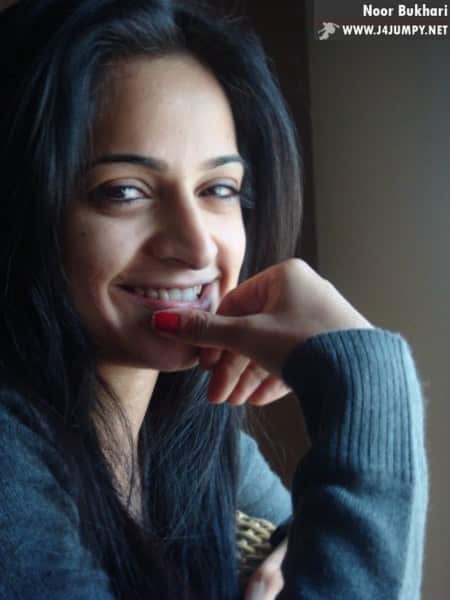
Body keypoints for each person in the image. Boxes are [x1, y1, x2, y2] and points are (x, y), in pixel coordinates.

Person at [0, 1, 428, 599]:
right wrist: (365, 381)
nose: (198, 244)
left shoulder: (192, 433)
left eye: (219, 189)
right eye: (124, 192)